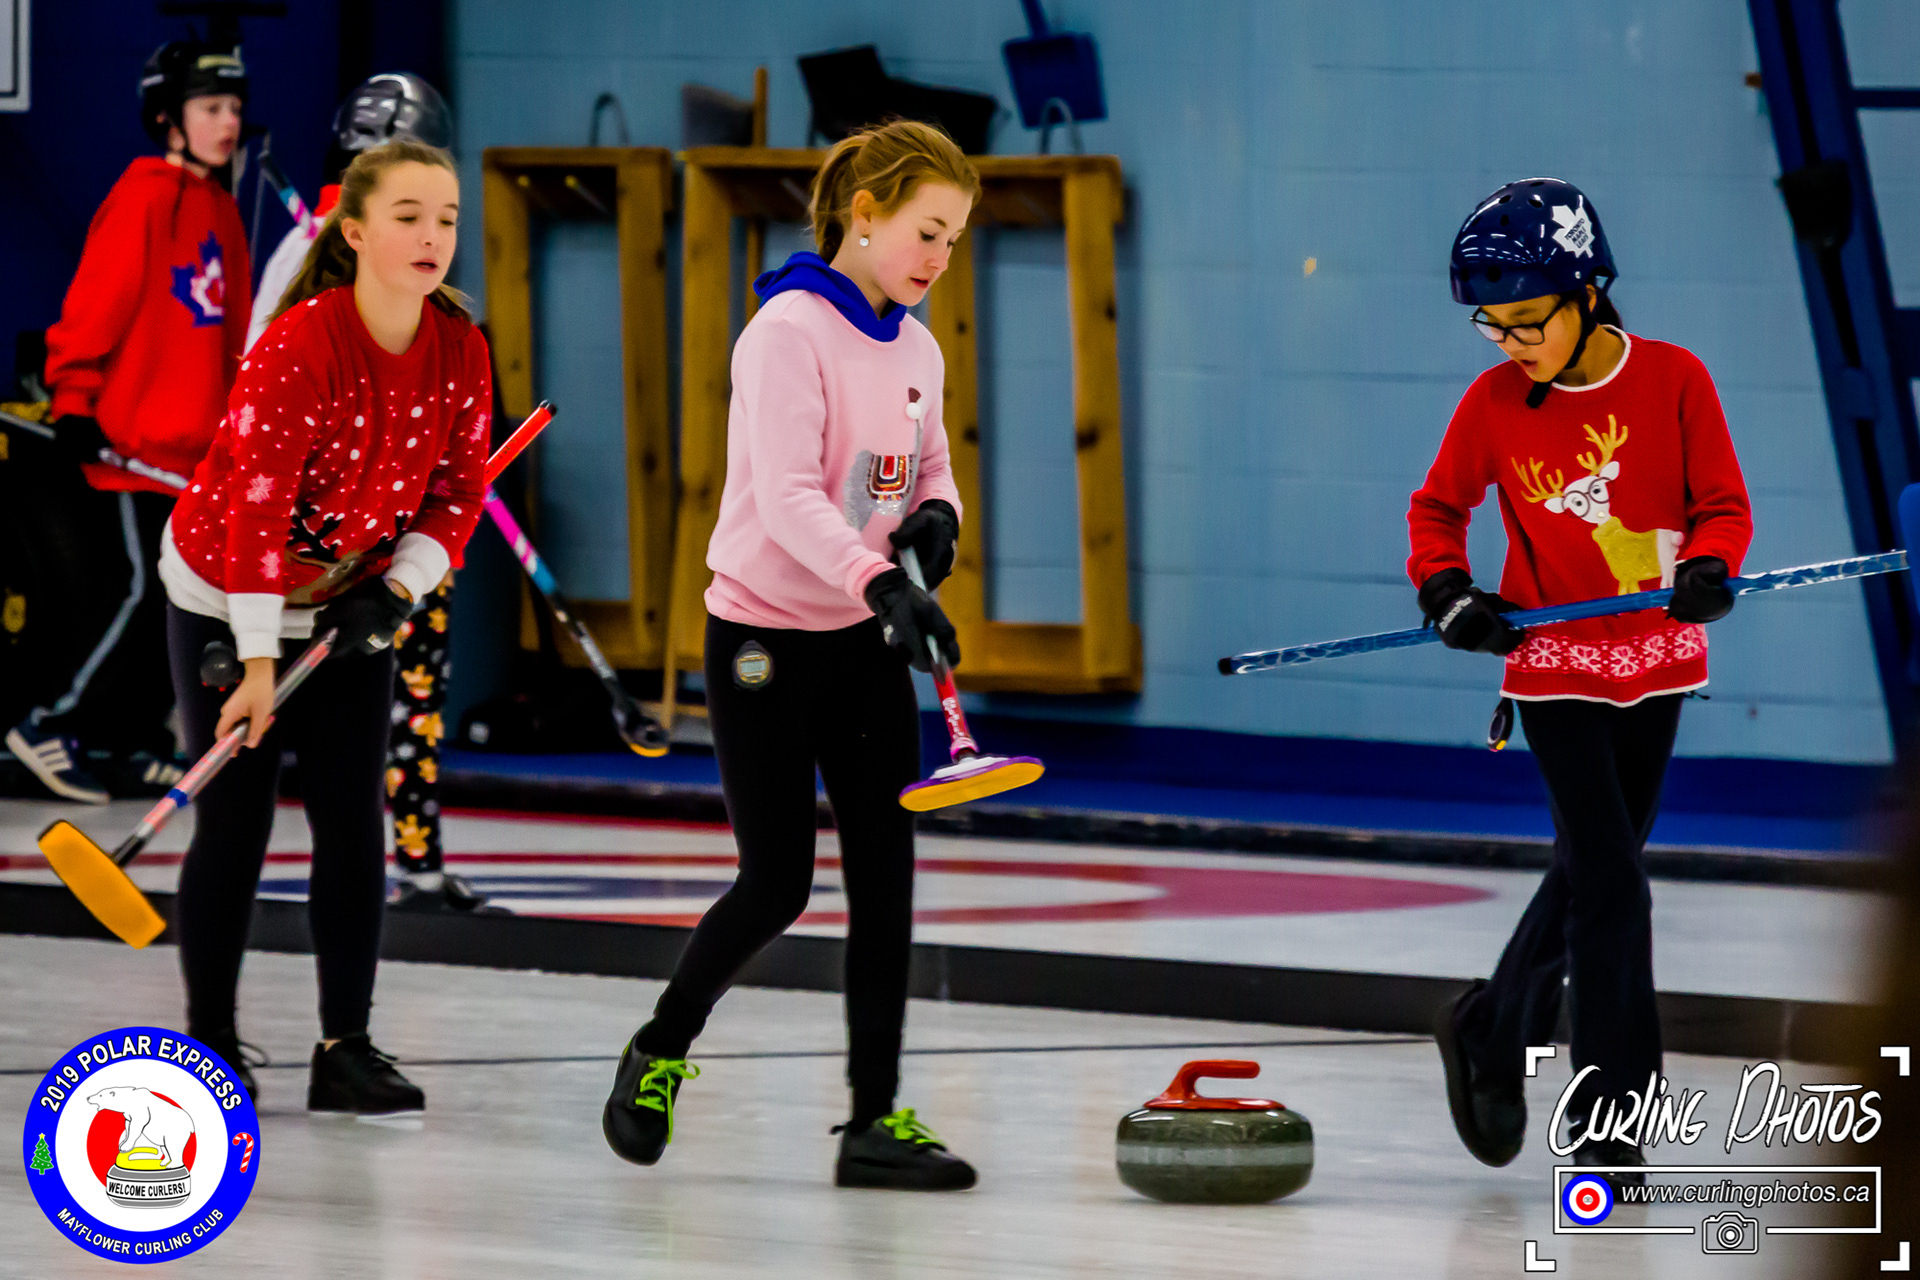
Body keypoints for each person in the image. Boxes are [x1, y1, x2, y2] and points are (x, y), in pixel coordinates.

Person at [602, 120, 978, 1190]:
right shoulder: (786, 332)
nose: (939, 257)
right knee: (776, 882)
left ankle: (874, 1122)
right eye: (927, 231)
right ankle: (660, 1046)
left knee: (887, 881)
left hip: (862, 643)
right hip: (764, 641)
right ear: (864, 213)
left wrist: (940, 520)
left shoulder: (918, 346)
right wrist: (882, 583)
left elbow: (931, 465)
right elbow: (787, 496)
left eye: (954, 240)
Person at [1409, 178, 1753, 1181]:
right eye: (1494, 325)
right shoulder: (1492, 404)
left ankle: (1490, 1023)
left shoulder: (1676, 379)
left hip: (1658, 662)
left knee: (1590, 871)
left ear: (1590, 291)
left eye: (1529, 320)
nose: (1511, 342)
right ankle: (1610, 1119)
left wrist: (1709, 568)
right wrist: (1448, 593)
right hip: (1554, 669)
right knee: (1611, 884)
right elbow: (1437, 512)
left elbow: (1721, 505)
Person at [158, 138, 490, 1111]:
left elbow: (458, 492)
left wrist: (401, 586)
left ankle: (346, 1047)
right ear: (354, 232)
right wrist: (259, 662)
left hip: (349, 603)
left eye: (447, 219)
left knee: (352, 820)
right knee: (237, 820)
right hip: (226, 592)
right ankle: (210, 1043)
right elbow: (256, 516)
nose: (432, 237)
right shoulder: (300, 344)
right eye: (408, 217)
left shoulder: (460, 348)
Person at [242, 69, 482, 913]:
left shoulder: (421, 259)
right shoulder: (305, 259)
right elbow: (263, 402)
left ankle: (416, 861)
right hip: (328, 538)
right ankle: (339, 871)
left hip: (405, 526)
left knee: (418, 692)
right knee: (339, 716)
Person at [6, 41, 252, 803]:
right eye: (210, 108)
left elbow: (233, 338)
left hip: (193, 463)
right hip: (129, 448)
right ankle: (48, 723)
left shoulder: (223, 210)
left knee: (181, 608)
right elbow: (93, 308)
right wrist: (74, 400)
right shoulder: (143, 197)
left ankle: (126, 740)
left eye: (234, 108)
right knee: (139, 593)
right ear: (168, 118)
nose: (227, 122)